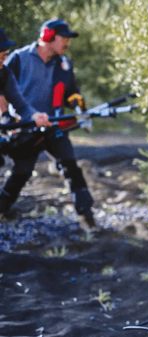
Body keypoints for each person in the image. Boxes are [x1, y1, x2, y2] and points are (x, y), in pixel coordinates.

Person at [0, 19, 97, 230]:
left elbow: (71, 91)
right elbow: (3, 92)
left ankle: (88, 218)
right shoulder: (18, 59)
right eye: (64, 38)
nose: (67, 43)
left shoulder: (64, 64)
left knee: (71, 166)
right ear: (48, 36)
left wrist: (76, 102)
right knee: (22, 172)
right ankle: (1, 211)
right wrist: (7, 117)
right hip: (25, 128)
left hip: (54, 127)